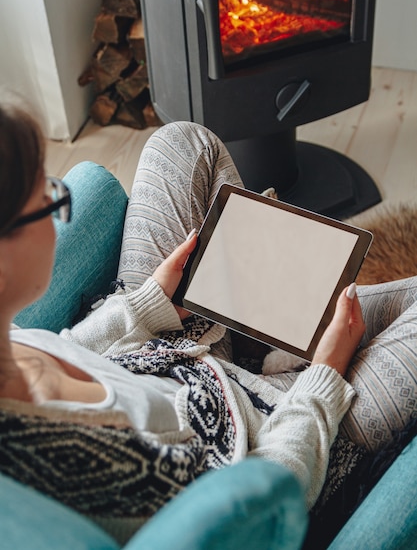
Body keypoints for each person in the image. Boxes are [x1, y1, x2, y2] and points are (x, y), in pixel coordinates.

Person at [1, 98, 417, 545]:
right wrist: (325, 375)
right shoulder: (83, 471)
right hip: (273, 424)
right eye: (47, 202)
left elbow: (70, 348)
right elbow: (266, 499)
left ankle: (263, 329)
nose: (56, 199)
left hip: (167, 350)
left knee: (183, 143)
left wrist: (148, 305)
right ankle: (284, 350)